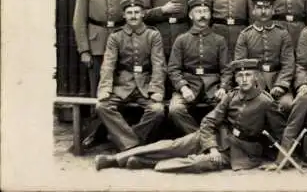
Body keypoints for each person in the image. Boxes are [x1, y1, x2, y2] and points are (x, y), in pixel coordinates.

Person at [94, 58, 286, 172]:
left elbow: (281, 134)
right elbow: (210, 121)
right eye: (240, 76)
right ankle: (115, 159)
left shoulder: (266, 102)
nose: (244, 80)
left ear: (256, 78)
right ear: (235, 78)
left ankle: (141, 162)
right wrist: (210, 146)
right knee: (171, 145)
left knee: (195, 164)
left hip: (241, 152)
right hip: (219, 137)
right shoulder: (231, 96)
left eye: (248, 75)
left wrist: (280, 162)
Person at [94, 0, 166, 152]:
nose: (133, 16)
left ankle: (127, 140)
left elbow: (159, 64)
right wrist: (105, 88)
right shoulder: (116, 36)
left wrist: (157, 90)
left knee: (157, 110)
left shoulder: (153, 35)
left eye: (137, 12)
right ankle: (134, 145)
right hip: (122, 85)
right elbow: (108, 64)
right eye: (129, 13)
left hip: (145, 86)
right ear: (124, 16)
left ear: (142, 14)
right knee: (102, 106)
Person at [73, 0, 134, 97]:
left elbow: (133, 17)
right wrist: (84, 50)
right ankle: (96, 117)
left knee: (121, 83)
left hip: (121, 40)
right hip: (96, 44)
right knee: (98, 84)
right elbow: (79, 20)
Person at [167, 0, 233, 135]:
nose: (202, 15)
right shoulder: (181, 40)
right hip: (189, 84)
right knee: (175, 110)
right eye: (198, 12)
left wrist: (223, 87)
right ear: (191, 16)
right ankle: (197, 137)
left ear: (210, 15)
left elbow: (227, 69)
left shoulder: (219, 40)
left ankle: (214, 140)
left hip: (213, 86)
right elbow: (173, 68)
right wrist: (183, 88)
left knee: (226, 106)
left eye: (205, 11)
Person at [234, 0, 295, 115]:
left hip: (277, 79)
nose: (263, 11)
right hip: (254, 81)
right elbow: (241, 65)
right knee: (250, 107)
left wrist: (281, 85)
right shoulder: (245, 35)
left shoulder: (282, 34)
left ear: (273, 11)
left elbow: (288, 63)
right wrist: (254, 85)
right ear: (253, 11)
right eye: (259, 8)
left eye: (267, 8)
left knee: (287, 104)